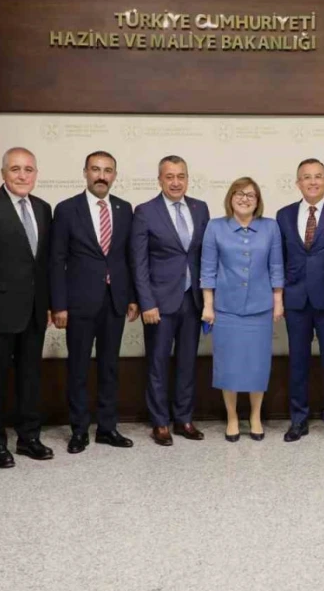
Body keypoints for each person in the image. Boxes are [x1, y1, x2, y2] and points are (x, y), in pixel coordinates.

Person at [0, 147, 54, 468]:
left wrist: (47, 305)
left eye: (28, 169)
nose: (22, 175)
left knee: (30, 377)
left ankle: (29, 438)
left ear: (36, 173)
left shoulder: (44, 209)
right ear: (3, 173)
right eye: (16, 169)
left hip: (34, 311)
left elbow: (44, 264)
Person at [50, 150, 139, 454]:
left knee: (109, 366)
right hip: (79, 302)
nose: (102, 175)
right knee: (77, 367)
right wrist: (58, 305)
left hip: (115, 301)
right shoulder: (66, 210)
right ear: (85, 172)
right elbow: (56, 259)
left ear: (115, 175)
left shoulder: (125, 209)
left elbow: (129, 258)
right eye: (96, 169)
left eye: (108, 170)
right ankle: (78, 430)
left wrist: (132, 298)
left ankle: (107, 427)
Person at [130, 155, 210, 446]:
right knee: (158, 363)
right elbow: (138, 262)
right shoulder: (145, 211)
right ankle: (160, 422)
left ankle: (184, 419)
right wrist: (147, 302)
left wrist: (209, 299)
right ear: (160, 179)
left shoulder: (201, 209)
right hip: (159, 304)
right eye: (169, 176)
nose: (176, 182)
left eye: (181, 176)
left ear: (187, 179)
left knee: (188, 362)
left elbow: (203, 256)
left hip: (193, 300)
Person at [200, 177, 284, 442]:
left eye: (251, 194)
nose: (244, 198)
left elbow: (276, 267)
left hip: (260, 309)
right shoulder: (215, 227)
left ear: (257, 201)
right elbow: (208, 269)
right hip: (226, 309)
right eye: (239, 193)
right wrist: (208, 306)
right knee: (229, 366)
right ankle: (233, 417)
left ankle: (255, 416)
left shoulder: (270, 227)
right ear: (230, 197)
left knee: (257, 366)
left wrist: (278, 301)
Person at [276, 159, 324, 443]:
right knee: (298, 363)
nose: (313, 181)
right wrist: (278, 296)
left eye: (318, 176)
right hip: (295, 300)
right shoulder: (283, 215)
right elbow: (278, 260)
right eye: (306, 177)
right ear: (298, 183)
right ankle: (299, 420)